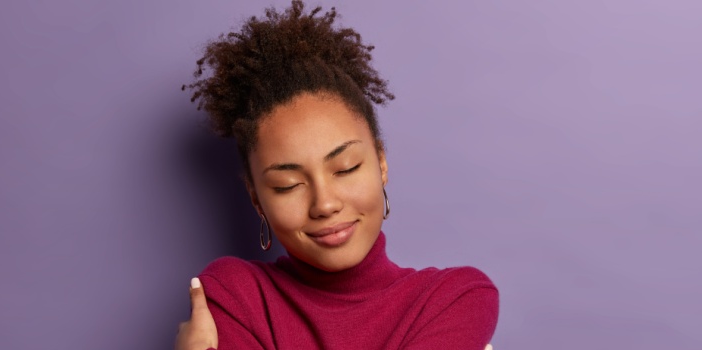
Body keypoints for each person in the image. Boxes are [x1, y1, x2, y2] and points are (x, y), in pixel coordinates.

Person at [176, 1, 499, 349]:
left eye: (345, 168)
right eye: (288, 185)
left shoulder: (455, 299)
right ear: (257, 198)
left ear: (381, 163)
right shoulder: (234, 295)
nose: (325, 204)